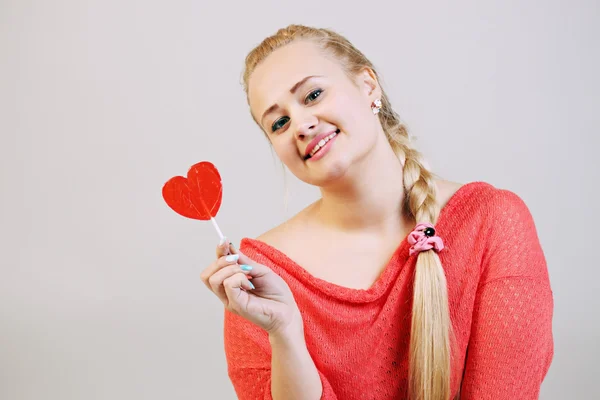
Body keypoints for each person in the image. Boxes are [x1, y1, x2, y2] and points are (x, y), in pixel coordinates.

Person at [200, 24, 554, 400]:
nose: (301, 126)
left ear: (368, 85)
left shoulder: (493, 221)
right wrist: (285, 333)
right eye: (279, 123)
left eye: (313, 95)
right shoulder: (258, 276)